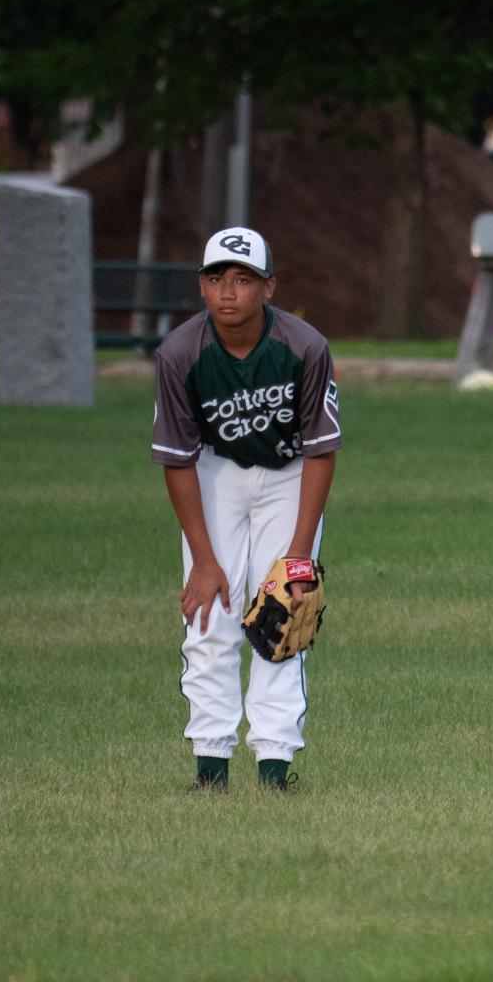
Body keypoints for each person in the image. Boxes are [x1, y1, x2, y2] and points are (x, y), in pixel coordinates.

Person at [151, 226, 341, 791]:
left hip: (290, 474)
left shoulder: (305, 347)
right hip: (216, 474)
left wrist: (298, 559)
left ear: (269, 287)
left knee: (282, 614)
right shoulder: (180, 354)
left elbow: (320, 450)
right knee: (209, 617)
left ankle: (274, 767)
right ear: (201, 286)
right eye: (216, 278)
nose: (228, 291)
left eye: (243, 279)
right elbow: (178, 461)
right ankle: (210, 766)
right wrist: (205, 561)